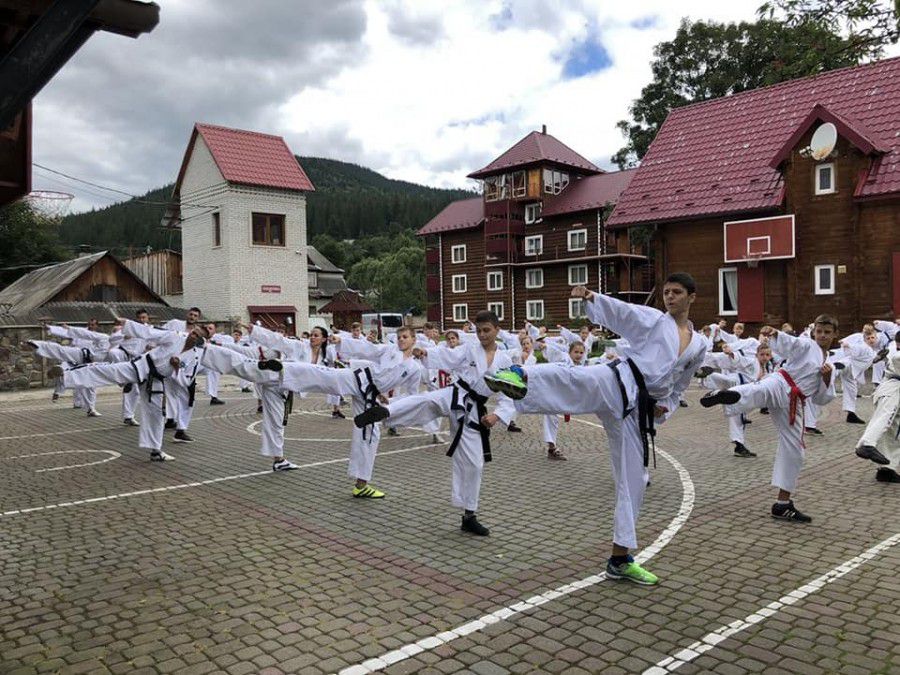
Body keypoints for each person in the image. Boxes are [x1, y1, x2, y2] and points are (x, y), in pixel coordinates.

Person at [485, 274, 708, 584]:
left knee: (636, 479)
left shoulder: (700, 343)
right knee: (578, 379)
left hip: (636, 409)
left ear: (691, 297)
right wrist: (592, 297)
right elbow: (625, 312)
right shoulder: (656, 320)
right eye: (667, 292)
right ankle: (519, 375)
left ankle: (620, 559)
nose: (669, 297)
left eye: (677, 292)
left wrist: (666, 405)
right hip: (621, 379)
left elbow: (682, 381)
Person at [354, 310, 516, 536]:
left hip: (473, 411)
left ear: (497, 330)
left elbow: (510, 395)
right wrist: (424, 353)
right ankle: (385, 412)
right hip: (455, 393)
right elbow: (448, 356)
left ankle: (469, 515)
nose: (482, 335)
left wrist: (498, 415)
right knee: (425, 400)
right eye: (478, 331)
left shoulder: (506, 361)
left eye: (486, 330)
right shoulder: (469, 349)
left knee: (475, 464)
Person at [701, 316, 837, 523]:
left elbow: (821, 398)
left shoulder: (829, 364)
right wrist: (776, 334)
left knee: (796, 450)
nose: (822, 335)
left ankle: (782, 504)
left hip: (795, 402)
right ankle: (728, 394)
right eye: (819, 331)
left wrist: (826, 379)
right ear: (813, 332)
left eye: (827, 332)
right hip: (782, 382)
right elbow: (792, 344)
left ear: (834, 334)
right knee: (761, 391)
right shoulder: (808, 346)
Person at [854, 330, 900, 483]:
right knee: (883, 419)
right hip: (891, 390)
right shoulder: (895, 353)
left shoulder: (893, 351)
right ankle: (866, 443)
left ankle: (887, 469)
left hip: (893, 390)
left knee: (894, 432)